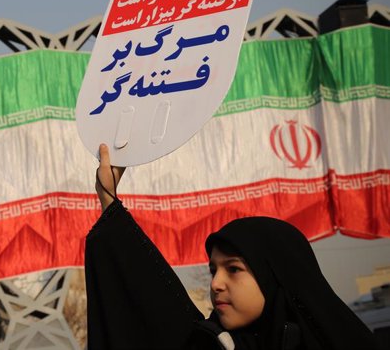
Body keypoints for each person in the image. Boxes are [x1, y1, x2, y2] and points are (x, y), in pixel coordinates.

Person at [85, 144, 378, 350]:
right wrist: (108, 199)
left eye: (234, 268)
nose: (216, 284)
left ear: (275, 277)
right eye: (213, 269)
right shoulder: (211, 343)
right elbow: (149, 304)